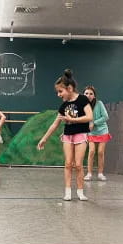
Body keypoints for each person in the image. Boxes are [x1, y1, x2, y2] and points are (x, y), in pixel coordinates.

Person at [37, 69, 93, 201]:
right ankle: (68, 191)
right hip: (68, 136)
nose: (58, 94)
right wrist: (44, 138)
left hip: (80, 135)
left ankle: (80, 191)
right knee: (68, 163)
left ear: (70, 88)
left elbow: (89, 116)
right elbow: (55, 124)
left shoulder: (83, 99)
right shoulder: (64, 106)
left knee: (78, 165)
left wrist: (73, 120)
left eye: (60, 91)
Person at [83, 86, 111, 181]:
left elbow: (106, 117)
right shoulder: (82, 105)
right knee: (91, 152)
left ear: (94, 96)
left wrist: (94, 122)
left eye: (91, 93)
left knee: (100, 152)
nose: (88, 95)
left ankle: (100, 173)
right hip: (91, 132)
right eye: (86, 93)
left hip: (102, 130)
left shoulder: (99, 103)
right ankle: (89, 173)